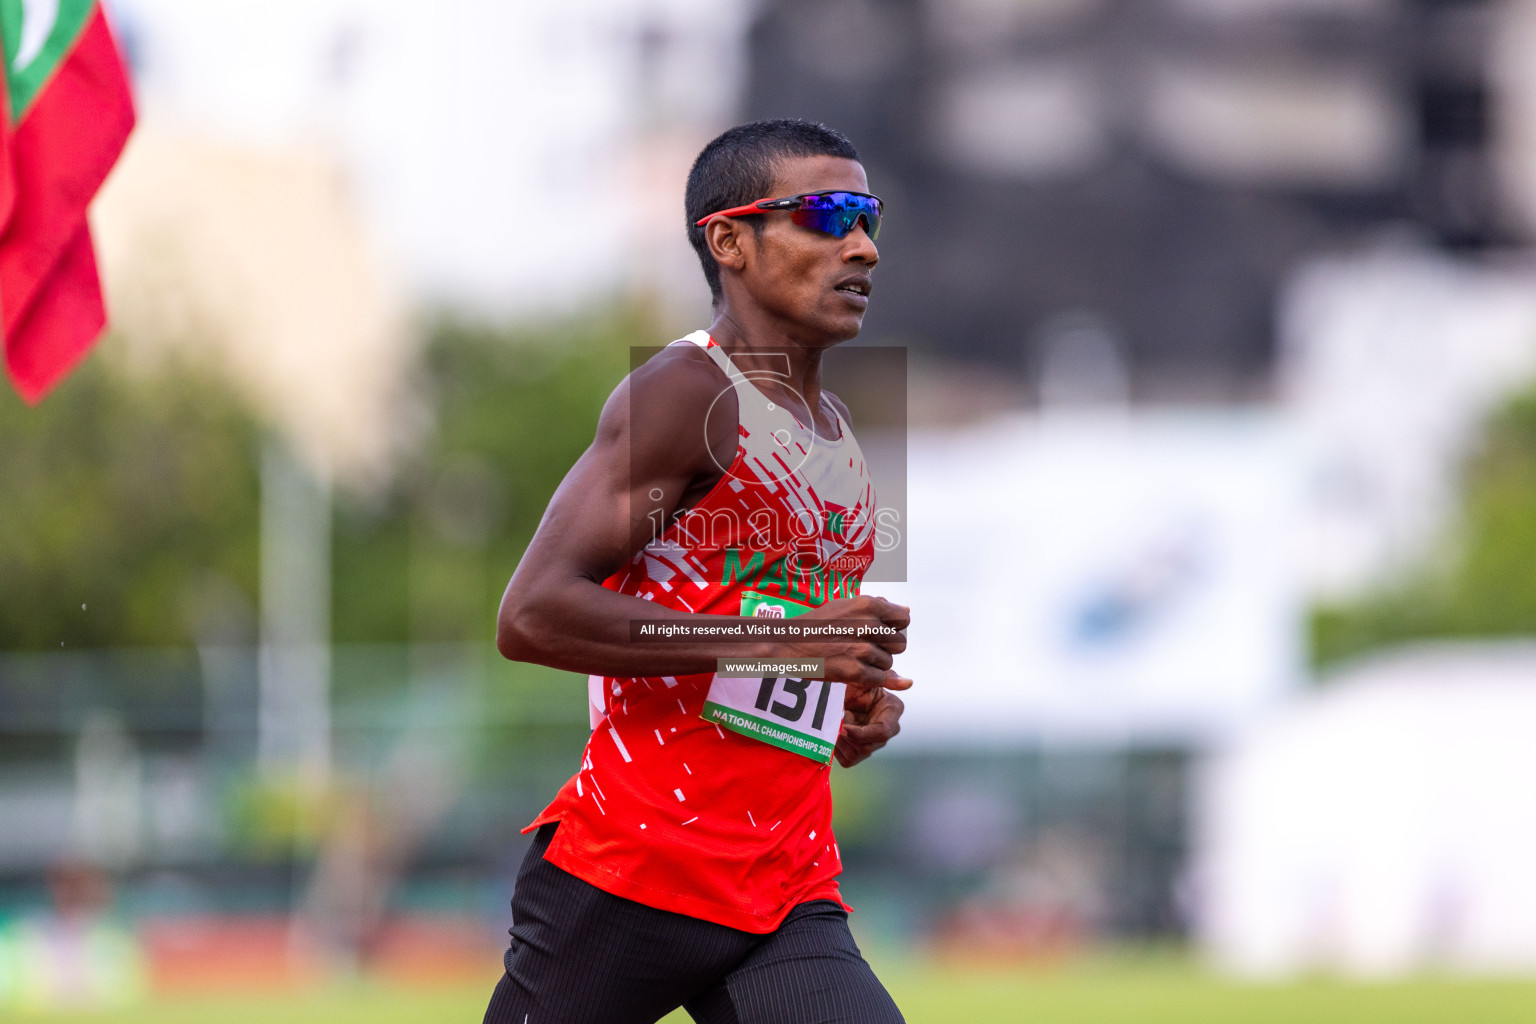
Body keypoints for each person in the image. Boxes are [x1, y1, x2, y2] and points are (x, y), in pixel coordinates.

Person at [483, 118, 911, 1024]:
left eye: (869, 217)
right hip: (634, 869)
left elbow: (767, 647)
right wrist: (784, 643)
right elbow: (533, 616)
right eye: (827, 216)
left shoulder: (835, 432)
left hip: (786, 882)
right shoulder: (685, 394)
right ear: (730, 241)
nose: (863, 246)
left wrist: (844, 707)